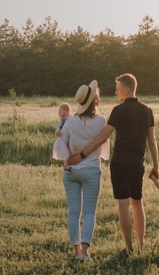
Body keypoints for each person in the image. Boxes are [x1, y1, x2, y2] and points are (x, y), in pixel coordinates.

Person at [68, 73, 159, 254]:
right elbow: (152, 141)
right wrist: (156, 165)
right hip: (137, 163)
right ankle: (141, 245)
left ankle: (129, 248)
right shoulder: (147, 110)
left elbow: (103, 136)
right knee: (137, 203)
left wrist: (83, 153)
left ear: (126, 89)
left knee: (123, 204)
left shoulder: (119, 110)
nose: (116, 92)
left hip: (120, 163)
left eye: (117, 89)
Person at [54, 80, 110, 262]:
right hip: (92, 170)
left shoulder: (69, 122)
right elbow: (103, 147)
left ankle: (76, 251)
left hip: (71, 171)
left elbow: (61, 144)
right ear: (95, 101)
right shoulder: (101, 121)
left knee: (73, 211)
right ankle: (85, 252)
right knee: (89, 212)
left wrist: (66, 164)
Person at [51, 102, 72, 166]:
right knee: (65, 156)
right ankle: (66, 167)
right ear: (59, 114)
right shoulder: (60, 124)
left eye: (67, 116)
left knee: (71, 154)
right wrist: (57, 132)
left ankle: (72, 165)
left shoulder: (70, 121)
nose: (65, 118)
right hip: (63, 141)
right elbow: (57, 131)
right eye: (63, 116)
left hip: (70, 140)